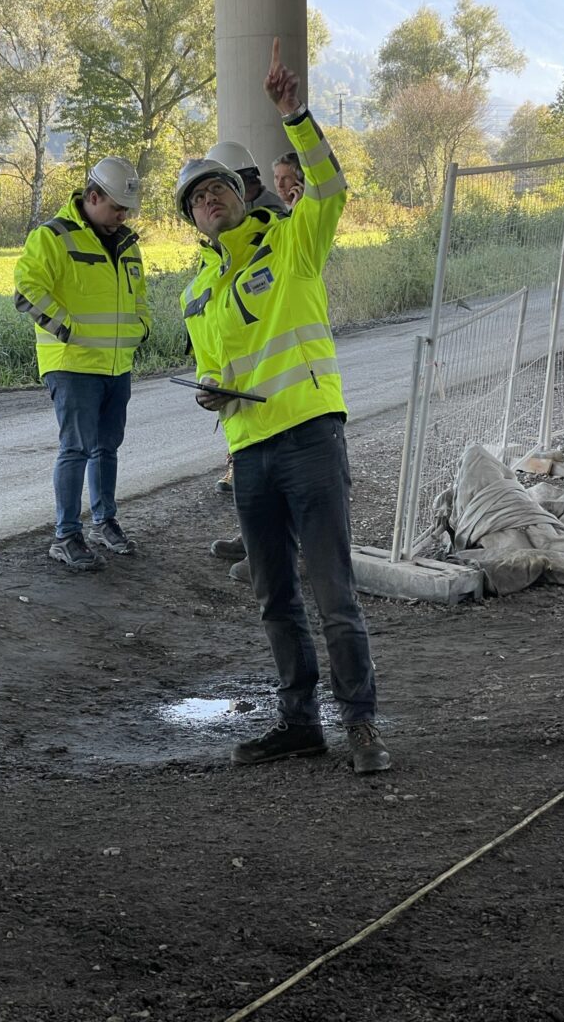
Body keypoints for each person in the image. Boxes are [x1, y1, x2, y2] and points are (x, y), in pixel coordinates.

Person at [175, 39, 390, 774]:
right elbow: (213, 368)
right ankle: (299, 723)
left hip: (309, 438)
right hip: (250, 453)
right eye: (197, 198)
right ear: (192, 218)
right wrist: (212, 393)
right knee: (275, 599)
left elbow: (329, 189)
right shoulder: (193, 292)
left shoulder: (291, 242)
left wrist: (295, 114)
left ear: (243, 191)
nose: (210, 201)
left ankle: (361, 725)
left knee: (333, 592)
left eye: (219, 189)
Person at [14, 157, 150, 571]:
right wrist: (67, 329)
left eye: (126, 209)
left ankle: (104, 522)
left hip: (116, 365)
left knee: (107, 448)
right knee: (75, 449)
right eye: (115, 207)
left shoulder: (127, 242)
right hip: (71, 364)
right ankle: (66, 534)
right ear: (92, 197)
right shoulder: (53, 236)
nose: (122, 215)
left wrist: (141, 326)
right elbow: (27, 291)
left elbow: (138, 295)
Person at [204, 144, 285, 497]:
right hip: (248, 331)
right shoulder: (251, 212)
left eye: (221, 187)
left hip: (267, 333)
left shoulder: (269, 217)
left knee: (275, 450)